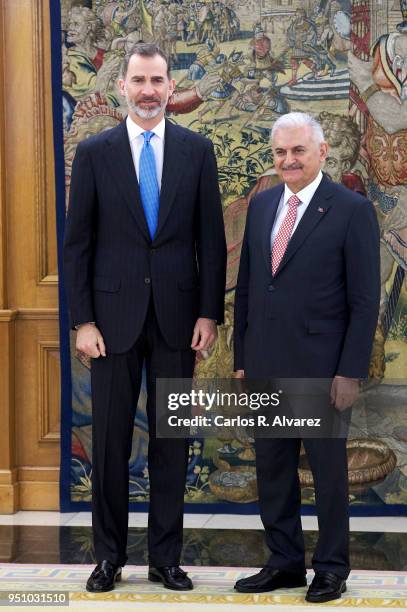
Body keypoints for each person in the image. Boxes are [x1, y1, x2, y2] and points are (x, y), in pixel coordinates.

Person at [63, 42, 226, 593]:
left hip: (180, 320)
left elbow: (212, 239)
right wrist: (82, 321)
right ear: (122, 87)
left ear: (171, 88)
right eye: (139, 81)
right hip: (109, 324)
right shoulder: (94, 153)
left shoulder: (198, 151)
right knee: (109, 443)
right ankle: (108, 557)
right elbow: (77, 245)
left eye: (158, 81)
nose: (149, 90)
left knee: (171, 443)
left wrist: (210, 312)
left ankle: (165, 559)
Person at [233, 112, 380, 603]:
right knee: (272, 470)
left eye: (298, 151)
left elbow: (364, 301)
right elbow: (251, 289)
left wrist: (349, 371)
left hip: (322, 369)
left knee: (327, 474)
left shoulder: (351, 210)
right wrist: (241, 359)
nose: (288, 160)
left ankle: (332, 567)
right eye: (280, 152)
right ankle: (285, 562)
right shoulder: (262, 204)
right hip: (264, 364)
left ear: (321, 153)